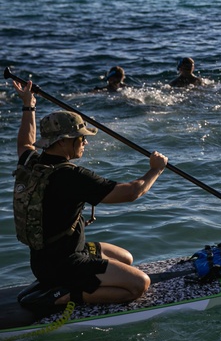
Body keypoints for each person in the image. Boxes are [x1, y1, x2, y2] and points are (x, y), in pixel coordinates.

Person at [10, 77, 168, 311]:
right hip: (66, 264)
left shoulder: (32, 162)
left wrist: (28, 104)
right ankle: (61, 296)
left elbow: (25, 142)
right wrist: (155, 169)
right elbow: (132, 192)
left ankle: (65, 281)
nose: (85, 142)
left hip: (45, 259)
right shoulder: (72, 177)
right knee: (139, 285)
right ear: (63, 142)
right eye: (80, 137)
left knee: (126, 258)